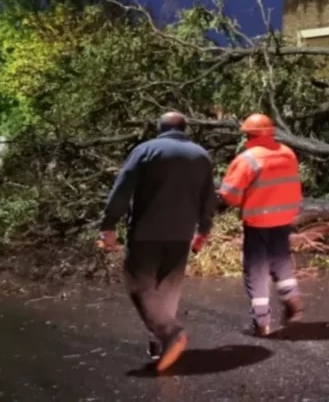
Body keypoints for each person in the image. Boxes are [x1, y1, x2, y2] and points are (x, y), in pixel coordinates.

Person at [98, 111, 216, 372]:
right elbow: (209, 196)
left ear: (159, 128)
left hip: (146, 230)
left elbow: (123, 188)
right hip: (182, 232)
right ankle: (159, 343)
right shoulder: (200, 155)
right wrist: (204, 229)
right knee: (168, 285)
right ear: (184, 128)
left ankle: (170, 332)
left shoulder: (146, 150)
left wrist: (108, 225)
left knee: (138, 284)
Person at [217, 113, 304, 337]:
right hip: (284, 218)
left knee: (255, 270)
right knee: (281, 260)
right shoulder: (288, 153)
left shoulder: (248, 159)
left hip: (258, 222)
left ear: (248, 134)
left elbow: (230, 196)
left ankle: (262, 322)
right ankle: (292, 297)